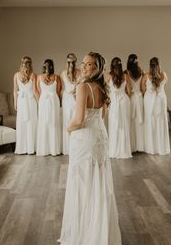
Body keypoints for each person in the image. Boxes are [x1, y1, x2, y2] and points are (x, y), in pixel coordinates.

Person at [59, 52, 122, 245]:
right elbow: (100, 116)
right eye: (83, 64)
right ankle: (100, 234)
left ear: (96, 68)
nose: (84, 67)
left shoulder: (82, 87)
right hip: (100, 135)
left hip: (84, 137)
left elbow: (78, 120)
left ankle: (83, 235)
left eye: (88, 64)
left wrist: (67, 128)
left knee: (82, 182)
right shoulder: (102, 87)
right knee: (98, 181)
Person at [141, 57, 170, 155]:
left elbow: (143, 90)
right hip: (161, 100)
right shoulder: (164, 75)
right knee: (161, 121)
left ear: (150, 65)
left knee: (150, 122)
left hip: (149, 101)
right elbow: (163, 86)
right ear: (159, 64)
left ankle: (152, 148)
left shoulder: (146, 76)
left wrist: (150, 92)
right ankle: (162, 147)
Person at [106, 57, 132, 159]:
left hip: (113, 102)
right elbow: (129, 92)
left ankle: (113, 150)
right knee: (124, 125)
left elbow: (106, 92)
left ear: (112, 66)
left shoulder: (108, 76)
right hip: (124, 101)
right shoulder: (126, 76)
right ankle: (124, 150)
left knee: (114, 126)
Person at [36, 59, 62, 156]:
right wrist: (42, 100)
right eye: (46, 65)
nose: (48, 67)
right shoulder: (39, 77)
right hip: (44, 101)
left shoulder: (57, 77)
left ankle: (53, 149)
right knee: (44, 123)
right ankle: (45, 149)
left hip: (53, 101)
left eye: (49, 65)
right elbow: (38, 90)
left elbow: (58, 91)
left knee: (53, 123)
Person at [13, 56, 37, 154]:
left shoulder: (17, 75)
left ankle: (24, 148)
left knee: (26, 124)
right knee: (28, 124)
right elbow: (35, 92)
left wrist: (15, 102)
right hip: (26, 101)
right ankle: (29, 148)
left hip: (25, 101)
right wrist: (15, 103)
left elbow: (15, 90)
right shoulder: (33, 75)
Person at [60, 53, 80, 155]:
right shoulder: (64, 74)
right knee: (74, 121)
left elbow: (62, 90)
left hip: (73, 99)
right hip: (70, 99)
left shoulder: (63, 73)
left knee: (71, 121)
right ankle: (74, 148)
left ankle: (71, 148)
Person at [126, 54, 145, 152]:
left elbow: (127, 90)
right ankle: (141, 146)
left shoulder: (126, 73)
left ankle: (132, 146)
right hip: (140, 98)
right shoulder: (141, 72)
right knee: (139, 121)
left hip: (131, 99)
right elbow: (143, 88)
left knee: (131, 121)